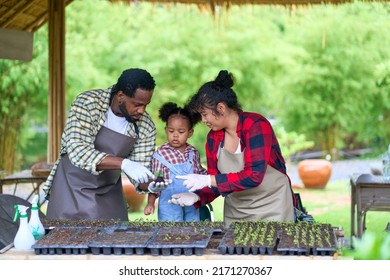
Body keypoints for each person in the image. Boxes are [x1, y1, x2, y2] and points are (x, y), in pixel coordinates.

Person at [169, 70, 296, 226]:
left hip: (273, 206)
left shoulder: (256, 125)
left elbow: (253, 176)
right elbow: (216, 181)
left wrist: (207, 179)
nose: (203, 120)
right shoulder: (213, 138)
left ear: (221, 108)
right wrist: (197, 196)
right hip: (237, 211)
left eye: (204, 114)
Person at [43, 68, 168, 221]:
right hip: (70, 189)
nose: (142, 111)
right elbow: (78, 150)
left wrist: (150, 185)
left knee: (115, 241)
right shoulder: (88, 104)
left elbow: (139, 170)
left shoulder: (145, 126)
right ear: (121, 96)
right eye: (137, 104)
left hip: (109, 193)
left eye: (145, 105)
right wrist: (124, 163)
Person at [144, 102, 207, 222]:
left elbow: (200, 175)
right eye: (171, 131)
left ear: (190, 132)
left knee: (193, 231)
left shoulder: (193, 153)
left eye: (181, 132)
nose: (175, 136)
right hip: (169, 206)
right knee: (170, 235)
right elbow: (157, 182)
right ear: (166, 130)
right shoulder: (160, 154)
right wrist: (150, 203)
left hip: (190, 204)